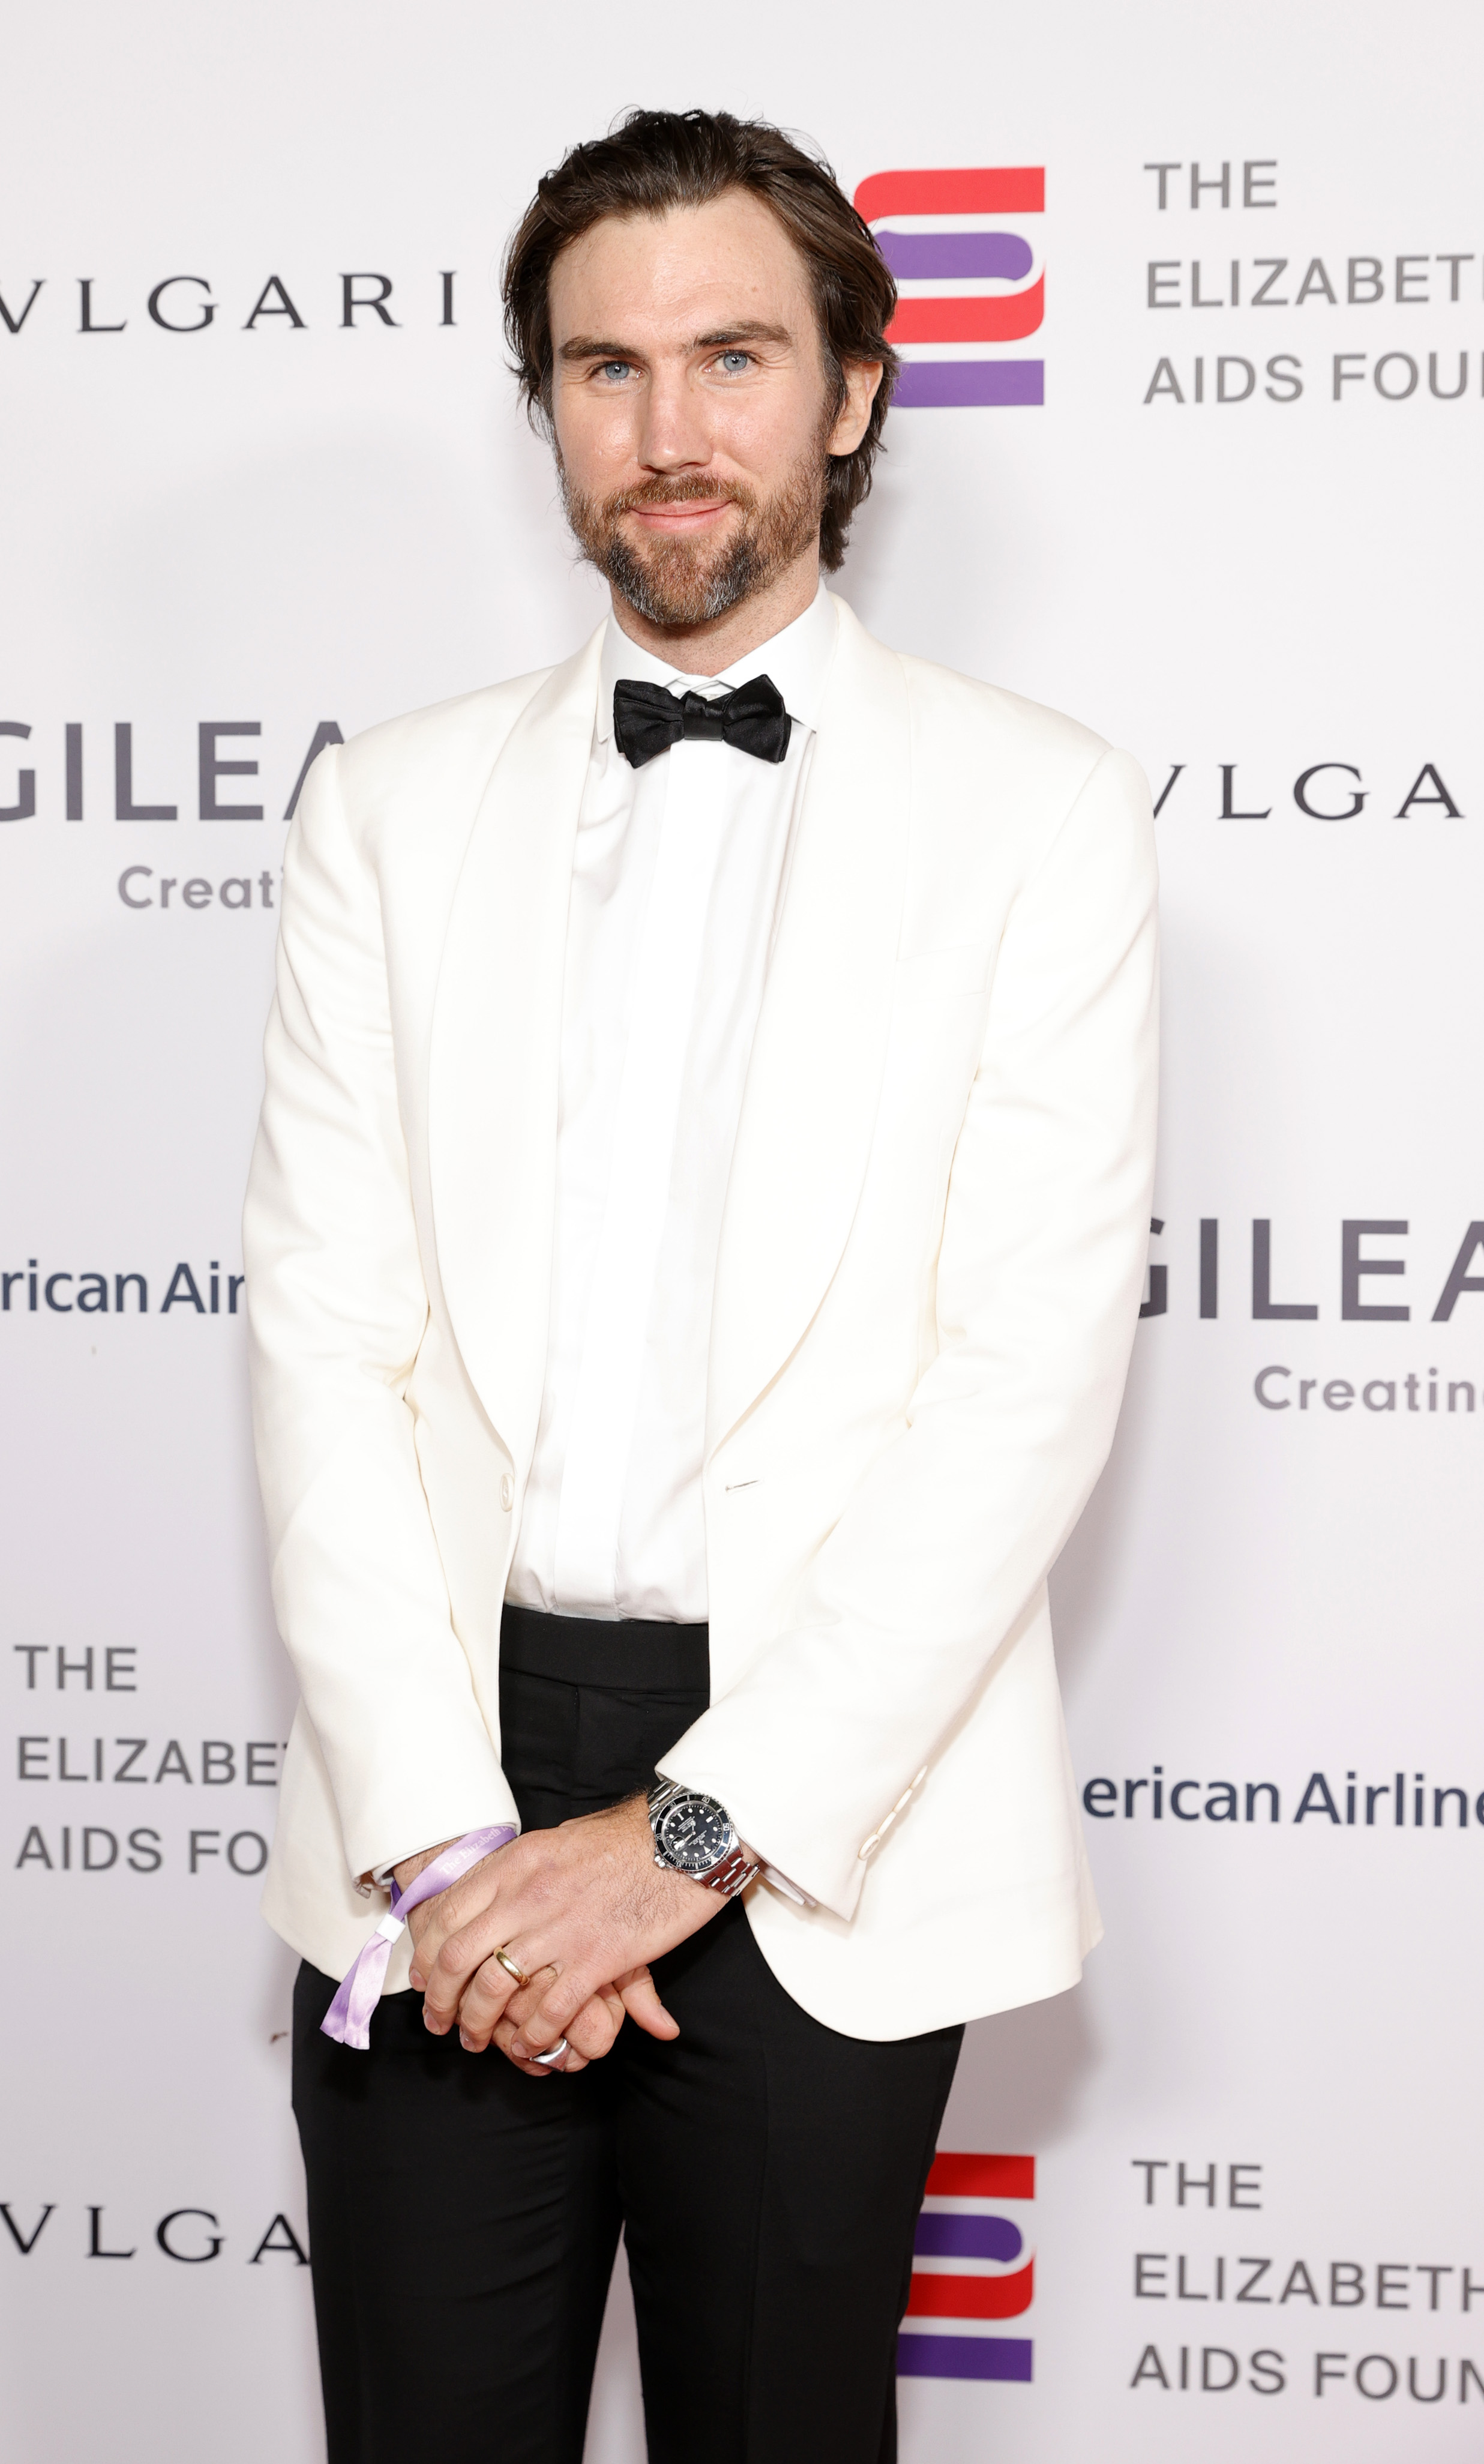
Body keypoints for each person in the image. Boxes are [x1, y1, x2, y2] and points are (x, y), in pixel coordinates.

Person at [243, 106, 1157, 2464]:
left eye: (731, 357)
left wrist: (676, 1845)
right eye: (603, 367)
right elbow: (325, 1353)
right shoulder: (388, 808)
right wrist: (456, 1848)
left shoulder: (1038, 811)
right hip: (434, 1791)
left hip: (831, 1809)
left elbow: (1020, 1387)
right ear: (543, 403)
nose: (665, 433)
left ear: (849, 390)